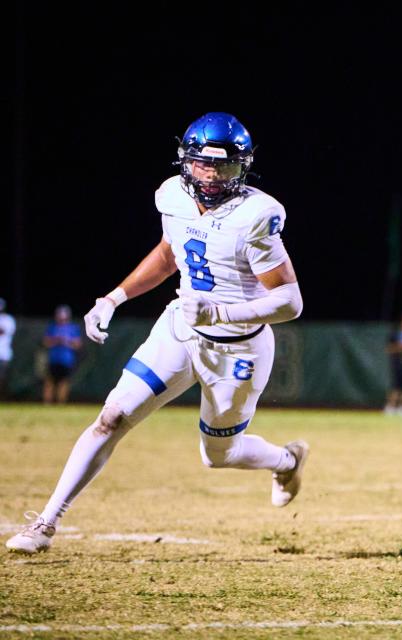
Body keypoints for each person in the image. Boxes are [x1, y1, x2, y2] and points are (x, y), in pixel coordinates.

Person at [6, 112, 308, 555]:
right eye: (203, 164)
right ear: (186, 161)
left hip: (238, 347)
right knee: (111, 417)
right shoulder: (172, 196)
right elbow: (170, 253)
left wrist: (220, 310)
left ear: (242, 167)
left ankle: (287, 460)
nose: (211, 175)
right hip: (180, 330)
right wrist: (114, 297)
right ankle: (46, 523)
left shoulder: (257, 215)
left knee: (218, 455)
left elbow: (290, 302)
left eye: (223, 166)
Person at [42, 305, 83, 404]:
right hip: (53, 359)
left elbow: (78, 344)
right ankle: (47, 403)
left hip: (67, 360)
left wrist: (66, 341)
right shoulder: (52, 327)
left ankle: (61, 403)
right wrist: (56, 340)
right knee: (49, 381)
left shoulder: (73, 328)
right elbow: (46, 342)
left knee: (64, 382)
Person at [0, 297, 15, 399]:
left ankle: (2, 398)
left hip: (3, 353)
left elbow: (3, 331)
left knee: (2, 379)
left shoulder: (8, 319)